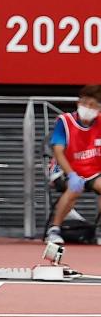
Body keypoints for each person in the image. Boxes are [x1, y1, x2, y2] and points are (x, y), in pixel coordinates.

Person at [45, 85, 101, 244]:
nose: (87, 107)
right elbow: (58, 152)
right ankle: (54, 229)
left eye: (92, 105)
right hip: (64, 169)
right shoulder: (65, 122)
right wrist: (71, 174)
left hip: (91, 170)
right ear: (78, 103)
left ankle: (98, 230)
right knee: (75, 188)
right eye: (84, 103)